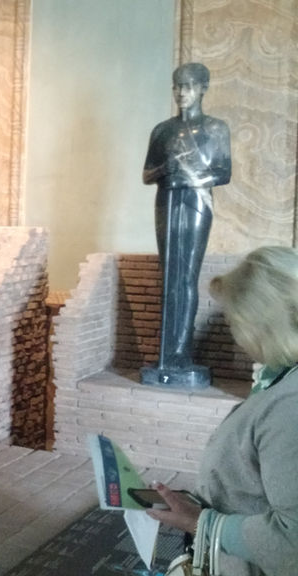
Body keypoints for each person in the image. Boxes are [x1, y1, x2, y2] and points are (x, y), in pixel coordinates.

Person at [147, 246, 298, 575]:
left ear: (261, 324)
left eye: (234, 321)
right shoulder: (282, 378)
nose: (234, 334)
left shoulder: (291, 405)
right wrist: (197, 505)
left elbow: (293, 542)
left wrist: (201, 523)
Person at [142, 62, 231, 385]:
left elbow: (223, 172)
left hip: (195, 202)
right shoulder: (162, 130)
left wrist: (189, 176)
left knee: (186, 275)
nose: (181, 92)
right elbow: (147, 174)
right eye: (177, 86)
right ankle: (166, 351)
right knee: (168, 274)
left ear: (203, 88)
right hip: (166, 201)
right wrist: (166, 168)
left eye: (189, 86)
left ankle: (181, 351)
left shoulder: (216, 128)